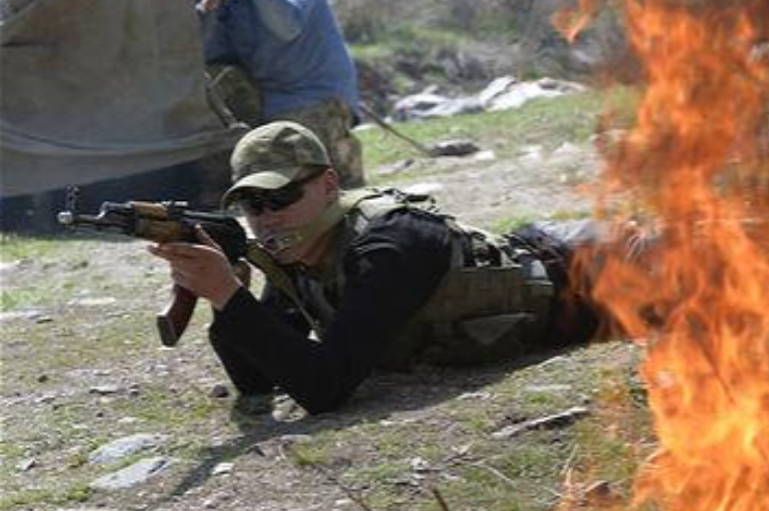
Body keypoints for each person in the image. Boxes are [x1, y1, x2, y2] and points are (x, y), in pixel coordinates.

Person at [148, 121, 600, 416]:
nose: (267, 217)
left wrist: (229, 296)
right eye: (251, 205)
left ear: (328, 185)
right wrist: (228, 298)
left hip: (591, 272)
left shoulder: (391, 245)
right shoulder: (300, 256)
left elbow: (326, 387)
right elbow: (260, 378)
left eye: (280, 198)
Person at [197, 0, 366, 185]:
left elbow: (287, 25)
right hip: (269, 99)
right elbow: (204, 55)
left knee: (298, 173)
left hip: (315, 93)